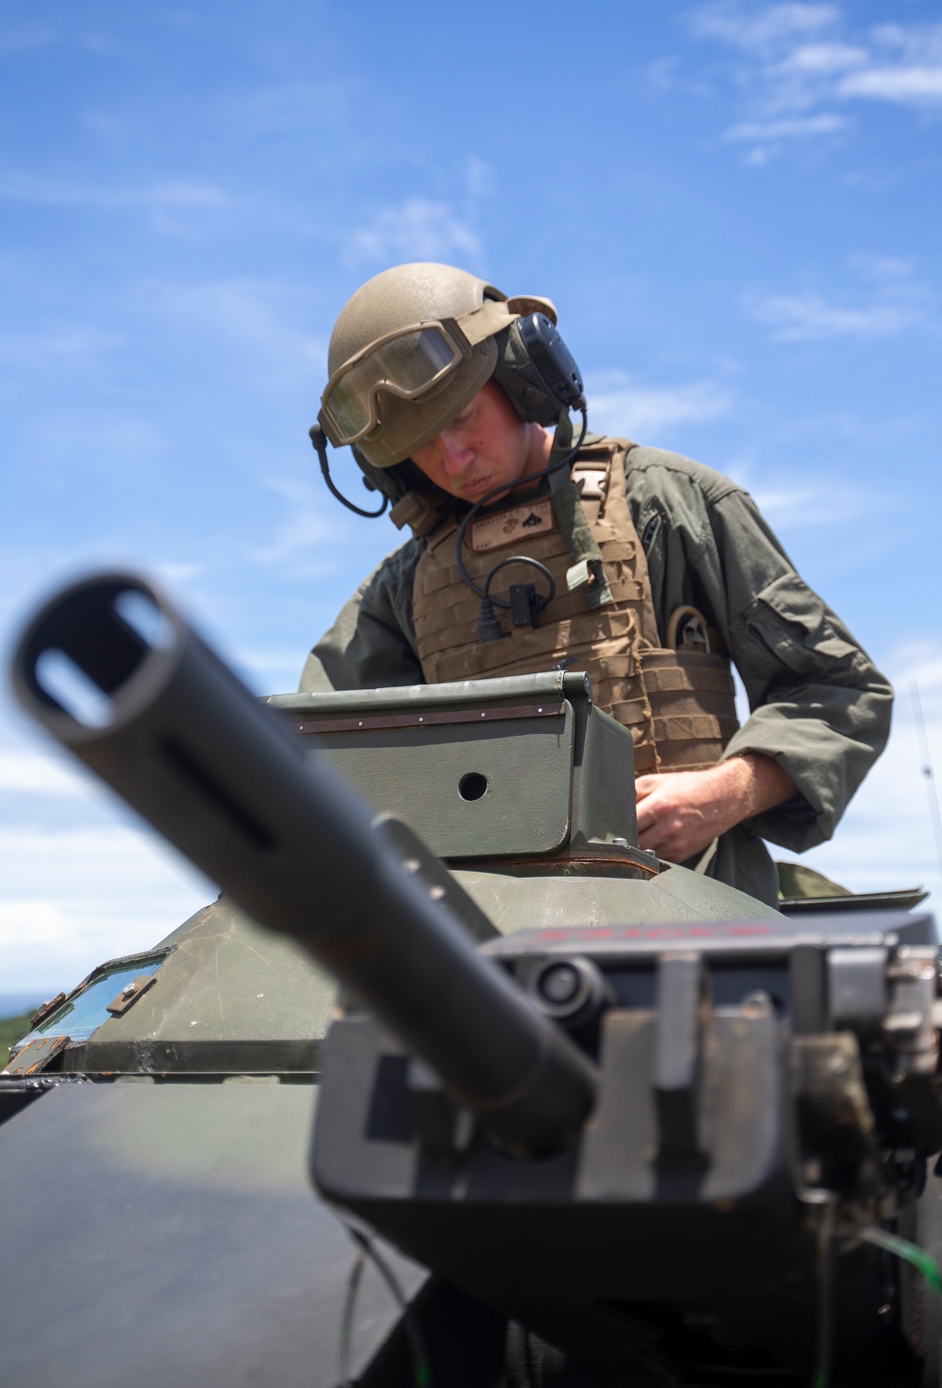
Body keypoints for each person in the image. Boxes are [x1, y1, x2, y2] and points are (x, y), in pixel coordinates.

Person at [301, 262, 892, 907]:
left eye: (464, 417)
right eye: (421, 445)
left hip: (697, 927)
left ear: (524, 379)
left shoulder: (669, 506)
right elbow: (316, 761)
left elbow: (838, 692)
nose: (454, 459)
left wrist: (725, 794)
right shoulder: (403, 589)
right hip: (491, 955)